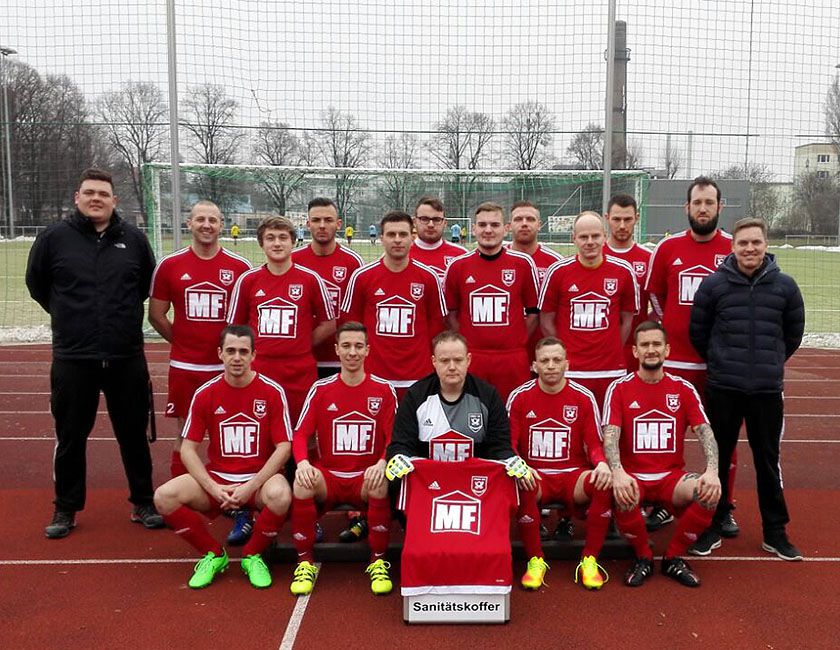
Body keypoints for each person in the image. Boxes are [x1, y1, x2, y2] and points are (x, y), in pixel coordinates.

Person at [26, 167, 163, 539]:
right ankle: (65, 508)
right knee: (70, 435)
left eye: (103, 193)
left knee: (133, 434)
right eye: (89, 192)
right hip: (74, 357)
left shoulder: (133, 240)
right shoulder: (54, 239)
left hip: (125, 356)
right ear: (77, 197)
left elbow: (144, 286)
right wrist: (72, 318)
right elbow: (37, 285)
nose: (96, 199)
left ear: (114, 200)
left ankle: (143, 501)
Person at [689, 218, 805, 561]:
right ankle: (713, 523)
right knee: (718, 459)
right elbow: (700, 333)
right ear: (732, 246)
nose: (749, 249)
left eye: (756, 242)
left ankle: (775, 531)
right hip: (724, 387)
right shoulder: (713, 286)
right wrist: (721, 360)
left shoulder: (785, 287)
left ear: (765, 245)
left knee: (767, 461)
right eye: (743, 243)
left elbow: (793, 333)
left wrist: (770, 361)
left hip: (767, 390)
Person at [384, 332, 539, 583]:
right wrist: (398, 457)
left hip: (473, 488)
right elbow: (401, 444)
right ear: (433, 361)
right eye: (445, 361)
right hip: (430, 488)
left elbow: (500, 445)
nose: (452, 367)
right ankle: (399, 552)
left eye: (457, 359)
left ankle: (501, 560)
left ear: (469, 360)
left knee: (522, 478)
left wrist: (510, 459)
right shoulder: (416, 396)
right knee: (387, 479)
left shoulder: (487, 396)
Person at [153, 325, 293, 589]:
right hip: (219, 479)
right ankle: (214, 554)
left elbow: (284, 447)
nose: (236, 357)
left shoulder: (272, 391)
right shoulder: (205, 393)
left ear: (253, 355)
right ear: (220, 354)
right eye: (230, 351)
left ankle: (252, 555)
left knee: (281, 495)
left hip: (257, 482)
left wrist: (250, 486)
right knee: (163, 497)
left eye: (243, 351)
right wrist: (213, 488)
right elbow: (187, 448)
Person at [149, 200, 254, 545]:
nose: (206, 225)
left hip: (227, 369)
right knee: (186, 435)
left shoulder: (238, 267)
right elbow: (158, 315)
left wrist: (226, 354)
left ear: (222, 225)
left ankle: (239, 507)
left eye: (213, 220)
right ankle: (186, 500)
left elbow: (244, 319)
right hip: (187, 368)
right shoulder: (171, 265)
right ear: (189, 223)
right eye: (200, 219)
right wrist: (181, 342)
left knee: (235, 436)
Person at [645, 176, 739, 541]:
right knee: (664, 439)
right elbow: (654, 295)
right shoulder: (668, 249)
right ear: (687, 208)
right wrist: (671, 327)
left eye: (709, 203)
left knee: (721, 438)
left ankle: (724, 507)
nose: (703, 209)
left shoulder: (733, 248)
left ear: (720, 207)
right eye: (697, 203)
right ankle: (663, 501)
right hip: (676, 363)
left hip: (718, 364)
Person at [602, 321, 721, 588]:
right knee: (620, 493)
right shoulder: (619, 388)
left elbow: (705, 432)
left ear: (667, 350)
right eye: (645, 345)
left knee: (710, 493)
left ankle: (673, 557)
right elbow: (610, 435)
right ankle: (643, 557)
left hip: (671, 477)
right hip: (633, 476)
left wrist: (712, 471)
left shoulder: (683, 388)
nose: (651, 350)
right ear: (635, 351)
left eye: (656, 344)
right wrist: (618, 473)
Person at [289, 322, 398, 595]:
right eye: (346, 346)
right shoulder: (321, 389)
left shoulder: (383, 390)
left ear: (367, 350)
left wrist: (382, 461)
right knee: (301, 482)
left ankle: (378, 559)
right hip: (330, 476)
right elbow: (301, 434)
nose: (352, 352)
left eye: (358, 346)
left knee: (380, 482)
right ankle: (304, 562)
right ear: (336, 350)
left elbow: (394, 439)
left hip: (364, 475)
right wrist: (302, 463)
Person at [507, 337, 613, 590]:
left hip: (572, 475)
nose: (551, 366)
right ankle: (535, 560)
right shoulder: (519, 397)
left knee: (602, 482)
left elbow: (594, 443)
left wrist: (601, 464)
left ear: (567, 363)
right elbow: (508, 445)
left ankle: (589, 560)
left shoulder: (582, 397)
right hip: (537, 475)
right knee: (523, 482)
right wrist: (522, 466)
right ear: (534, 366)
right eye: (545, 361)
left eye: (556, 360)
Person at [604, 194, 671, 532]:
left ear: (636, 218)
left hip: (642, 358)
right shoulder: (595, 254)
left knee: (644, 428)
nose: (622, 225)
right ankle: (612, 493)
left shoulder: (648, 257)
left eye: (627, 219)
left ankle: (654, 498)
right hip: (607, 359)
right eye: (616, 219)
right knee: (610, 427)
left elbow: (656, 302)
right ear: (607, 218)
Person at [228, 215, 336, 424]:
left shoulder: (310, 279)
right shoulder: (248, 280)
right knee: (261, 428)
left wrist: (302, 344)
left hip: (300, 370)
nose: (277, 243)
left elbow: (329, 323)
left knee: (303, 431)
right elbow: (235, 329)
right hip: (260, 369)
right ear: (261, 243)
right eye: (270, 238)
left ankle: (304, 459)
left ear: (293, 242)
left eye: (283, 237)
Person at [342, 211, 447, 398]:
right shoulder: (362, 277)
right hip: (374, 376)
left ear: (412, 238)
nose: (397, 240)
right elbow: (350, 327)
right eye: (391, 234)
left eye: (403, 234)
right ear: (381, 238)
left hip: (418, 377)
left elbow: (437, 327)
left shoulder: (428, 278)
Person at [539, 211, 638, 408]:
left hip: (611, 370)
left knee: (609, 430)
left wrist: (613, 345)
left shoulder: (623, 271)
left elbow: (627, 319)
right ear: (573, 238)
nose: (590, 242)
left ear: (604, 236)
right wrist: (564, 351)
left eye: (595, 236)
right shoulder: (558, 272)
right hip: (571, 370)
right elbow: (546, 319)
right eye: (583, 237)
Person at [443, 202, 540, 400]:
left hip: (512, 358)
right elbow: (451, 314)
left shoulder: (522, 263)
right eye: (483, 225)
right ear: (473, 228)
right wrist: (466, 342)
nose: (488, 230)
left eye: (495, 225)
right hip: (472, 357)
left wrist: (516, 339)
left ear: (506, 229)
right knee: (472, 417)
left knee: (510, 417)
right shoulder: (458, 266)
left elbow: (533, 313)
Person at [292, 197, 364, 379]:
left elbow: (359, 313)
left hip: (341, 360)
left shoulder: (353, 262)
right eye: (316, 220)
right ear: (308, 224)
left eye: (328, 220)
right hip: (301, 357)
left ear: (338, 224)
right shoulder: (293, 259)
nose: (322, 225)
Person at [408, 196, 467, 281]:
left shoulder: (461, 256)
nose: (431, 225)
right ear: (414, 222)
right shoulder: (399, 255)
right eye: (424, 219)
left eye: (436, 219)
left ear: (445, 223)